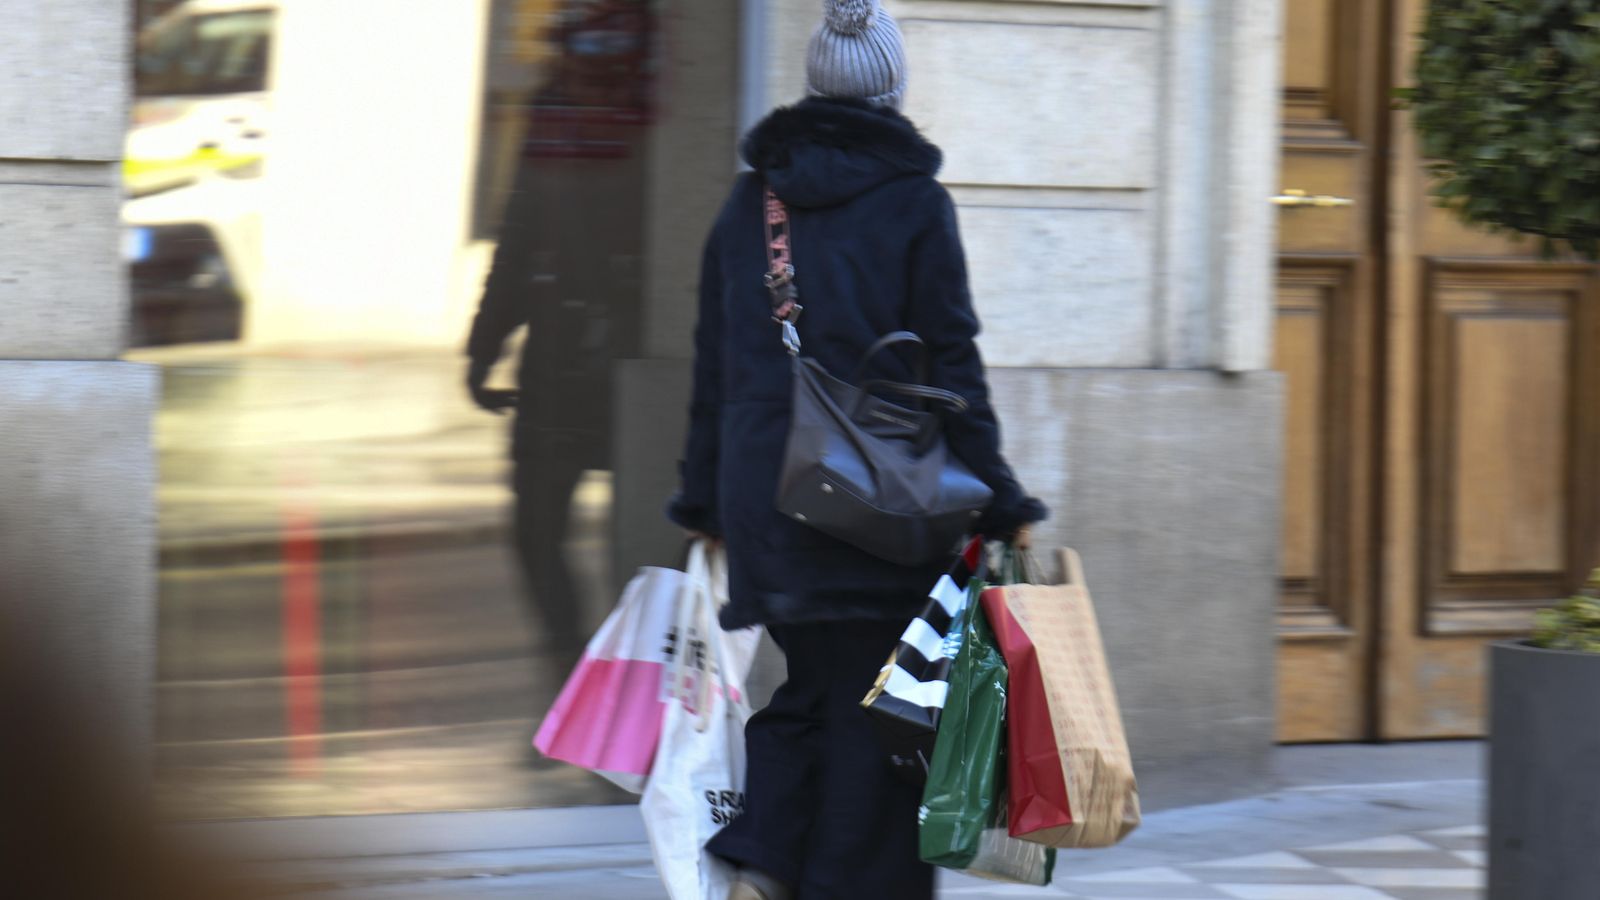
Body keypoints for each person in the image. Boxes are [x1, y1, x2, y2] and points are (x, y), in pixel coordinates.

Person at [667, 1, 1046, 897]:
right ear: (893, 86)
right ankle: (816, 874)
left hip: (771, 497)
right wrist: (1002, 498)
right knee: (885, 717)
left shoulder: (750, 199)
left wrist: (705, 503)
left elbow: (713, 362)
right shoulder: (914, 202)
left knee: (812, 687)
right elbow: (953, 363)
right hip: (886, 504)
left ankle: (763, 860)